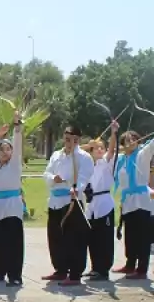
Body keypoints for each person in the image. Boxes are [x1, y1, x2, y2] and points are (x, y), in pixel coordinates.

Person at [42, 126, 94, 286]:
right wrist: (53, 178)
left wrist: (77, 188)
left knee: (74, 239)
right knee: (55, 237)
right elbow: (46, 173)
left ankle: (75, 273)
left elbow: (85, 177)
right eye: (67, 139)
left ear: (78, 140)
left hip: (72, 202)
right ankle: (60, 269)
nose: (70, 143)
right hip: (55, 202)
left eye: (74, 140)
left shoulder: (83, 157)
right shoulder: (56, 155)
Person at [0, 118, 25, 286]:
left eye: (8, 149)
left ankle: (15, 275)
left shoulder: (15, 164)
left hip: (13, 206)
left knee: (14, 242)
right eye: (2, 150)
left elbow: (18, 140)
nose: (6, 152)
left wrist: (16, 127)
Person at [111, 128, 154, 279]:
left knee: (143, 235)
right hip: (128, 201)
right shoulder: (121, 159)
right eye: (127, 141)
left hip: (142, 200)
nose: (130, 142)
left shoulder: (142, 154)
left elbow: (152, 145)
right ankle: (130, 264)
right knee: (130, 235)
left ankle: (141, 269)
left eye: (133, 139)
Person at [82, 121, 118, 281]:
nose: (99, 150)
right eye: (96, 148)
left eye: (101, 148)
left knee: (105, 239)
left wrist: (113, 132)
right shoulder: (88, 164)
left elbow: (111, 150)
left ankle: (103, 269)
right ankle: (95, 267)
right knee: (93, 239)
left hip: (104, 204)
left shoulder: (106, 163)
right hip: (92, 206)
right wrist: (88, 144)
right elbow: (75, 151)